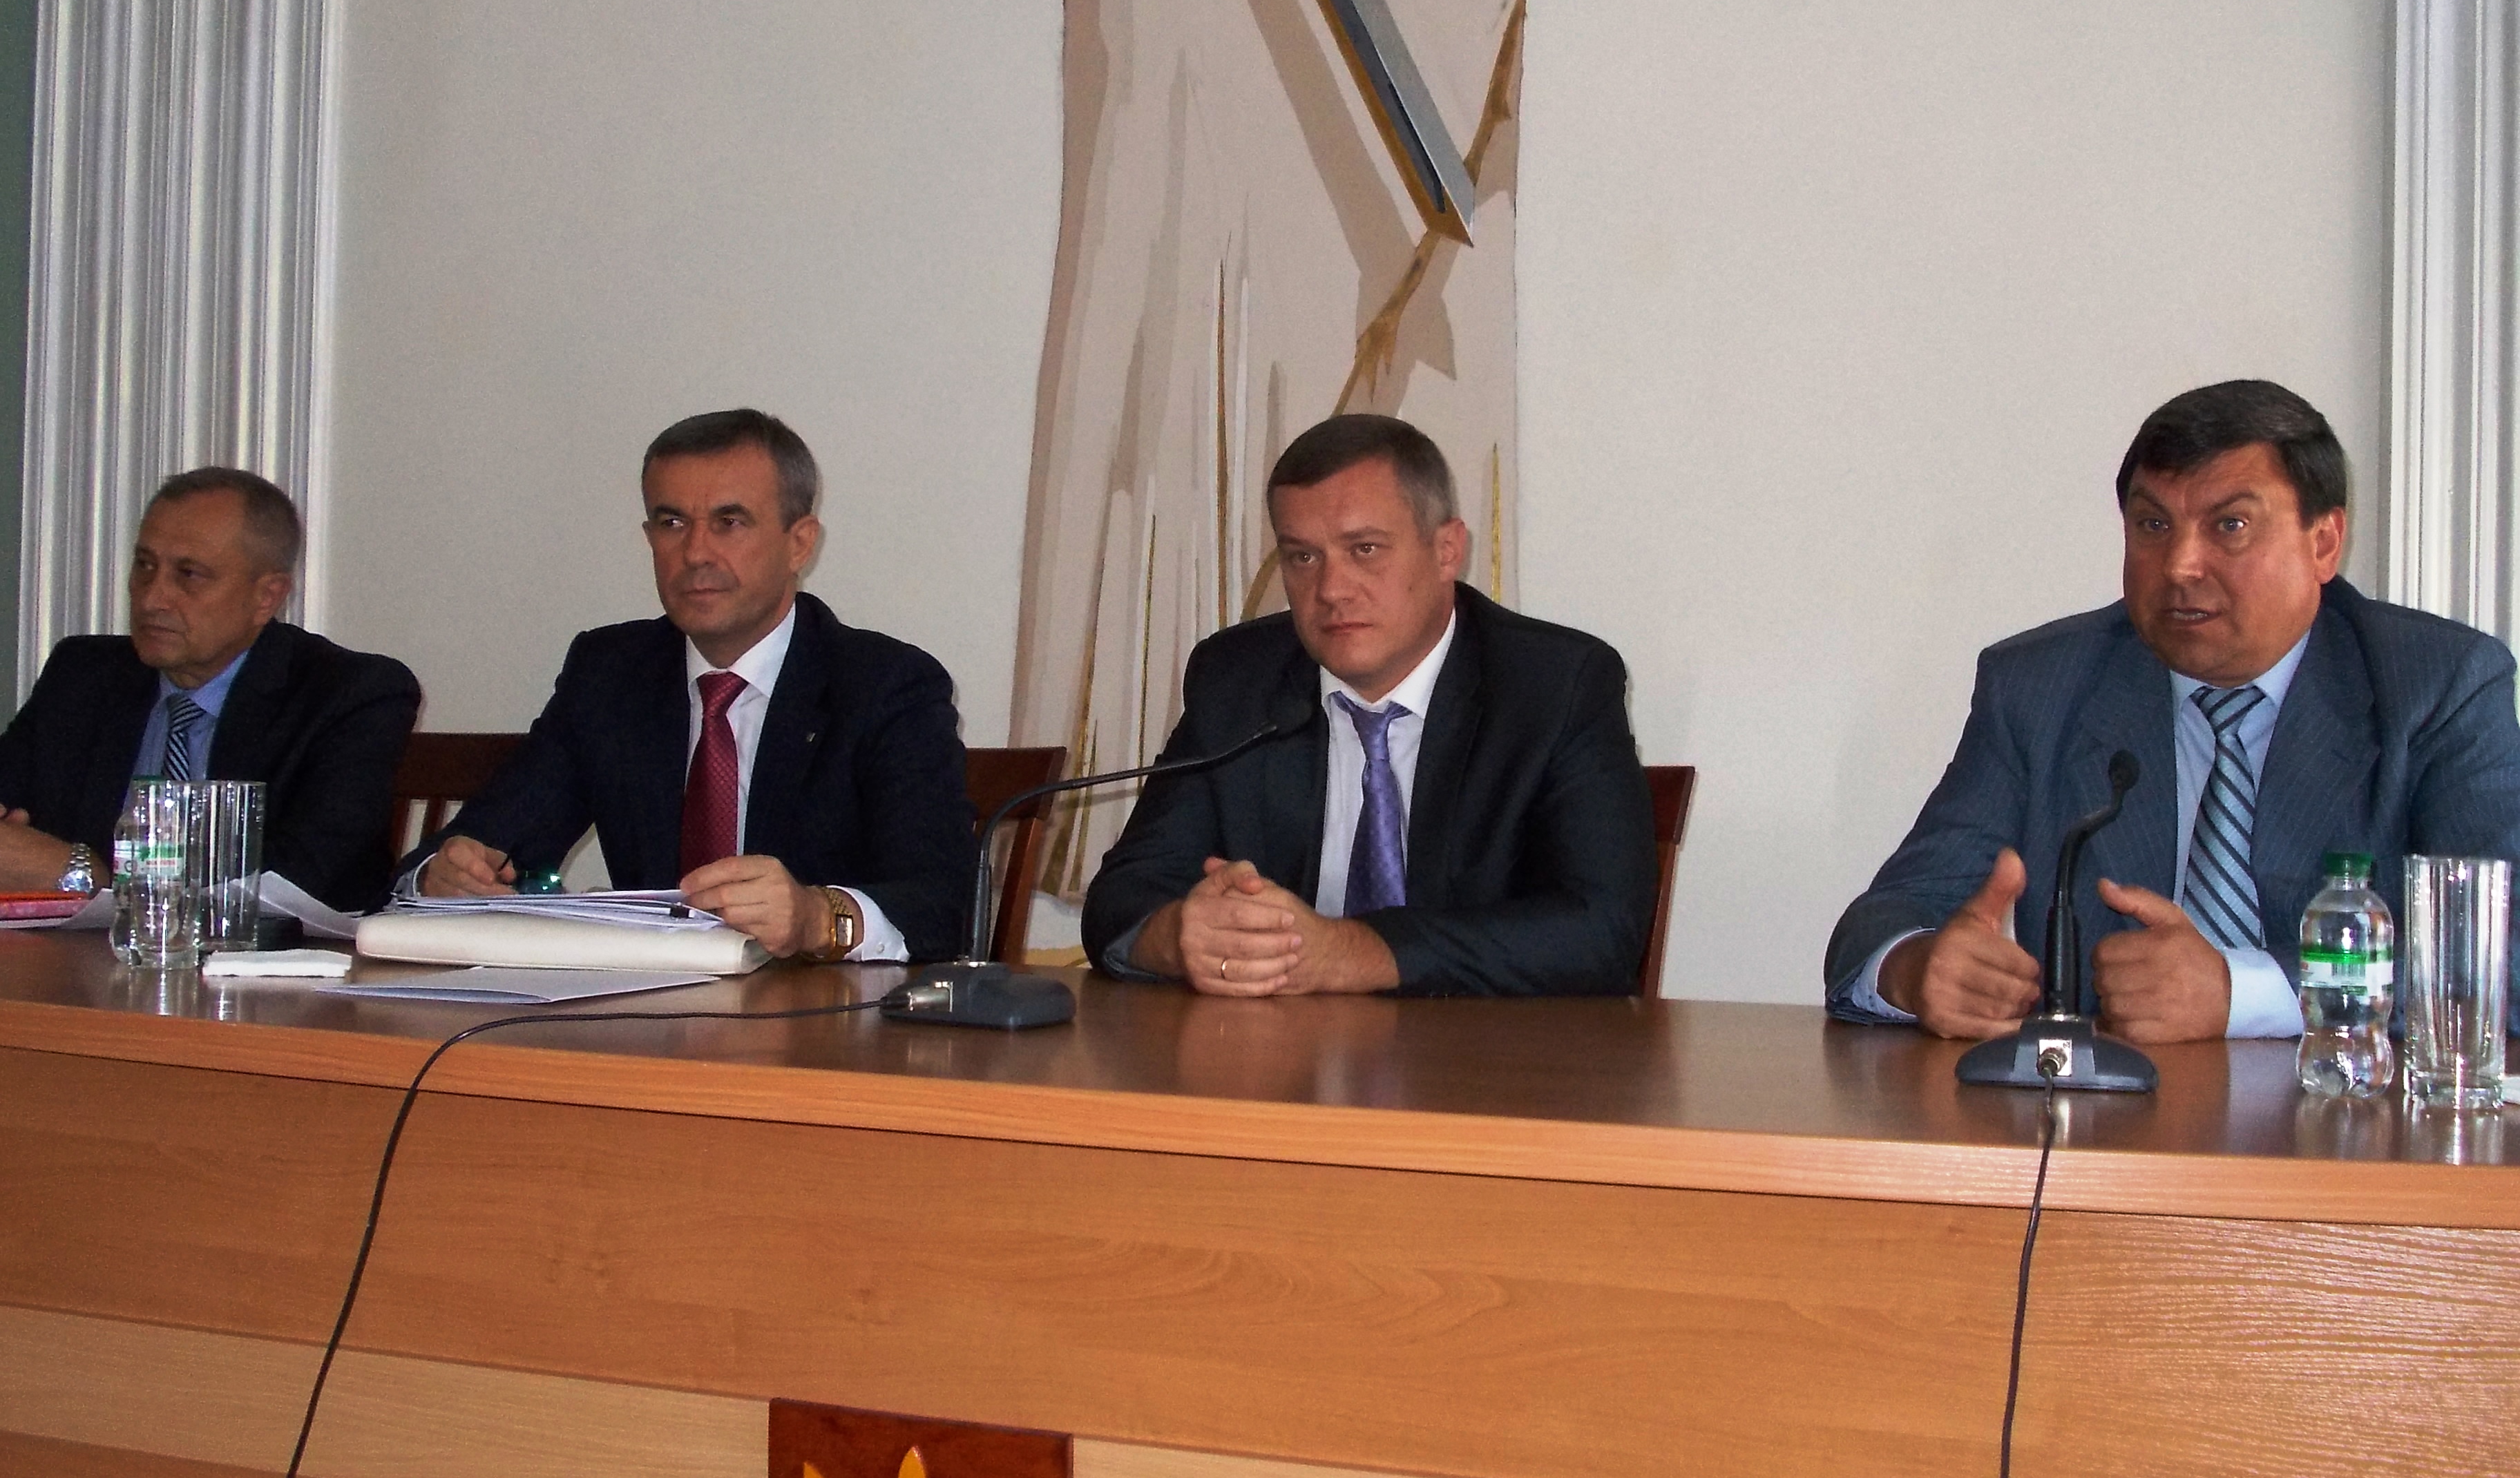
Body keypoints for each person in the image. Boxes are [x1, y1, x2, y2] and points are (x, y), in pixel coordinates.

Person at [1827, 378, 2520, 1044]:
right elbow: (1889, 915)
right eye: (2153, 524)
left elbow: (2502, 961)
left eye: (2231, 525)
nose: (2182, 564)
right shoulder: (2040, 688)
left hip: (2344, 1113)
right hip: (2104, 1118)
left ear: (2324, 543)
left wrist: (2238, 991)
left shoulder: (2436, 687)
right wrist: (1915, 969)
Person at [1082, 414, 1657, 997]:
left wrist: (1350, 954)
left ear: (1447, 551)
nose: (1332, 589)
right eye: (1303, 557)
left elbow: (1602, 930)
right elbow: (1125, 894)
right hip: (1278, 1047)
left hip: (1482, 1048)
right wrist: (1181, 936)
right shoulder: (1239, 680)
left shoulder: (1555, 686)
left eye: (1365, 549)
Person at [406, 409, 976, 960]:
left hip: (820, 1011)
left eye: (730, 522)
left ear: (799, 543)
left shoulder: (886, 686)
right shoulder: (610, 675)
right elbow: (481, 845)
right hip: (648, 1006)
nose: (696, 553)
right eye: (672, 523)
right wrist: (441, 877)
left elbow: (943, 908)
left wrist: (816, 918)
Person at [0, 466, 420, 910]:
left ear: (266, 596)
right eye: (145, 566)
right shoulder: (83, 674)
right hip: (70, 952)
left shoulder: (351, 695)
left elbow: (294, 883)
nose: (152, 598)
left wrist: (87, 876)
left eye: (189, 575)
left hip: (271, 954)